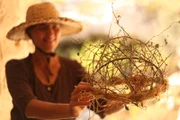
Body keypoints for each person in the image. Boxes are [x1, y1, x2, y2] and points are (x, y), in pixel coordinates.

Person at [5, 2, 123, 120]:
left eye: (55, 27)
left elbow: (103, 106)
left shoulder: (73, 68)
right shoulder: (16, 67)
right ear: (29, 33)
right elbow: (29, 108)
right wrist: (71, 111)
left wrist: (130, 97)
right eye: (42, 27)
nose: (50, 33)